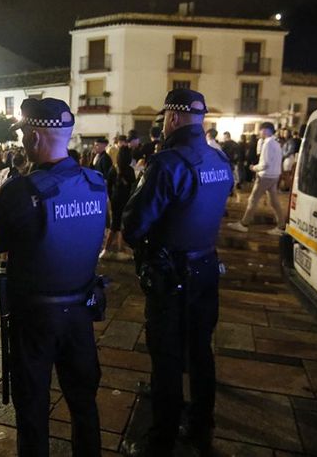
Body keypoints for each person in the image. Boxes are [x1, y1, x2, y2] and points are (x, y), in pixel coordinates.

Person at [0, 97, 105, 457]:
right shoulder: (96, 182)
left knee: (33, 406)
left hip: (34, 317)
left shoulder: (20, 190)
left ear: (35, 137)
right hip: (81, 311)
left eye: (23, 133)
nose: (22, 140)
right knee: (84, 402)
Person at [122, 89, 233, 456]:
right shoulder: (220, 160)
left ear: (172, 118)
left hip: (171, 275)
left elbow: (134, 224)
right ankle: (201, 424)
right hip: (206, 267)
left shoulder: (167, 163)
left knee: (167, 357)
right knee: (201, 350)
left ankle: (162, 438)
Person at [228, 122, 285, 235]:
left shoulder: (267, 144)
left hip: (265, 176)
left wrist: (254, 168)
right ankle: (281, 226)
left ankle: (244, 224)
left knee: (253, 199)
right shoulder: (276, 143)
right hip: (274, 175)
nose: (259, 132)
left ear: (266, 130)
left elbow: (265, 164)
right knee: (274, 201)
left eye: (260, 130)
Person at [104, 145, 136, 260]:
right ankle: (113, 249)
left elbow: (108, 186)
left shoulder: (113, 169)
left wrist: (111, 197)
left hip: (115, 199)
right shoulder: (130, 170)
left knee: (115, 223)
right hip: (126, 200)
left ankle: (113, 249)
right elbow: (133, 186)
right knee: (120, 225)